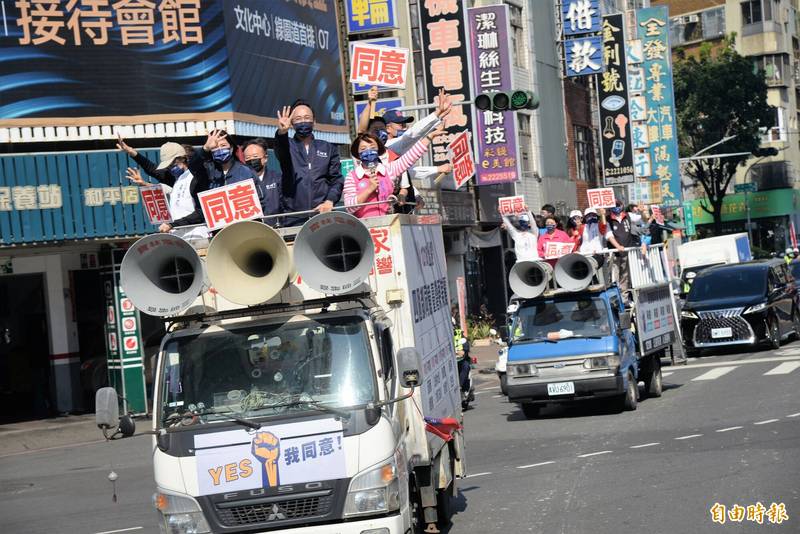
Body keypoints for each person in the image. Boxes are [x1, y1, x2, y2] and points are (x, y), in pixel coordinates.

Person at [120, 139, 209, 238]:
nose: (170, 168)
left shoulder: (196, 177)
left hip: (198, 234)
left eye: (172, 164)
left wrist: (172, 225)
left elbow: (201, 213)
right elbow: (152, 169)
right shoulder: (176, 180)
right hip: (180, 236)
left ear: (183, 158)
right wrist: (132, 152)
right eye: (168, 166)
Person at [274, 99, 343, 226]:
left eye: (307, 117)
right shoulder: (287, 146)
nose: (303, 122)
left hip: (323, 215)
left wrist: (330, 201)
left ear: (314, 121)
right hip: (293, 218)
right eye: (298, 119)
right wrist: (281, 133)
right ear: (292, 123)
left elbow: (336, 180)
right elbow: (280, 149)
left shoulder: (328, 148)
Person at [342, 129, 433, 218]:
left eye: (373, 148)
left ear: (379, 149)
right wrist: (369, 190)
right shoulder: (352, 176)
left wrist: (429, 137)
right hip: (364, 226)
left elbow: (410, 156)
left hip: (388, 223)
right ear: (357, 153)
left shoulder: (388, 169)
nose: (368, 151)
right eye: (363, 149)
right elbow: (349, 207)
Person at [189, 129, 258, 190]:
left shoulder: (246, 171)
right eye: (215, 147)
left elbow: (260, 197)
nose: (220, 149)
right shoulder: (206, 170)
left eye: (223, 145)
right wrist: (205, 148)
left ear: (231, 147)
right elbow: (192, 165)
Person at [242, 138, 283, 224]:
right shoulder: (241, 183)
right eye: (248, 158)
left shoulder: (278, 178)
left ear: (265, 158)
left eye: (255, 157)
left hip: (276, 227)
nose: (252, 160)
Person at [605, 201, 637, 297]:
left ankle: (624, 297)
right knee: (615, 275)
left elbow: (641, 220)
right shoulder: (607, 219)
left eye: (618, 205)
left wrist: (644, 213)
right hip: (614, 253)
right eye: (614, 206)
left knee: (625, 275)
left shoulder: (627, 216)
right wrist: (617, 246)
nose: (617, 207)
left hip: (627, 251)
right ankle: (615, 297)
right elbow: (609, 235)